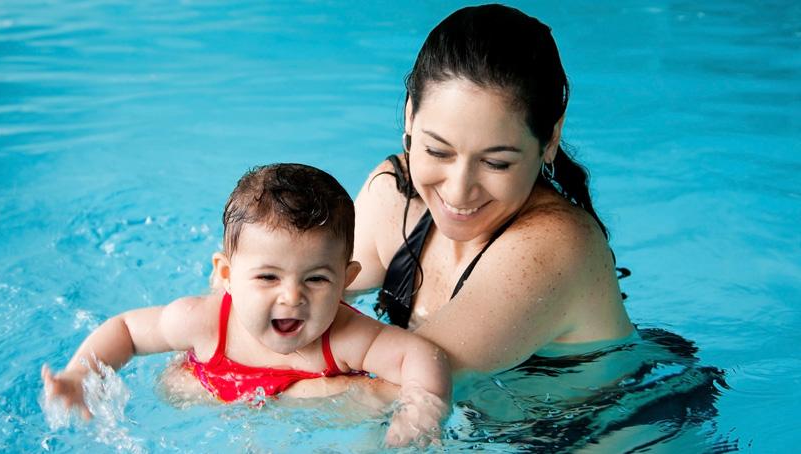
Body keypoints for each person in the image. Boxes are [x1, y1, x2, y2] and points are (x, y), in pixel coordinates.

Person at [42, 163, 450, 446]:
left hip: (276, 413)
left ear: (347, 279)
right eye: (268, 277)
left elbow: (422, 353)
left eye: (317, 279)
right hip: (214, 389)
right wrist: (81, 374)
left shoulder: (345, 337)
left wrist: (420, 411)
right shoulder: (204, 322)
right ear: (226, 276)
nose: (292, 297)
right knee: (174, 388)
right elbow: (128, 331)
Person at [350, 3, 635, 374]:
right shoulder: (395, 195)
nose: (458, 190)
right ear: (409, 115)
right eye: (438, 150)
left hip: (610, 429)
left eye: (496, 163)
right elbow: (286, 301)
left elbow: (406, 388)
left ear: (550, 139)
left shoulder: (554, 247)